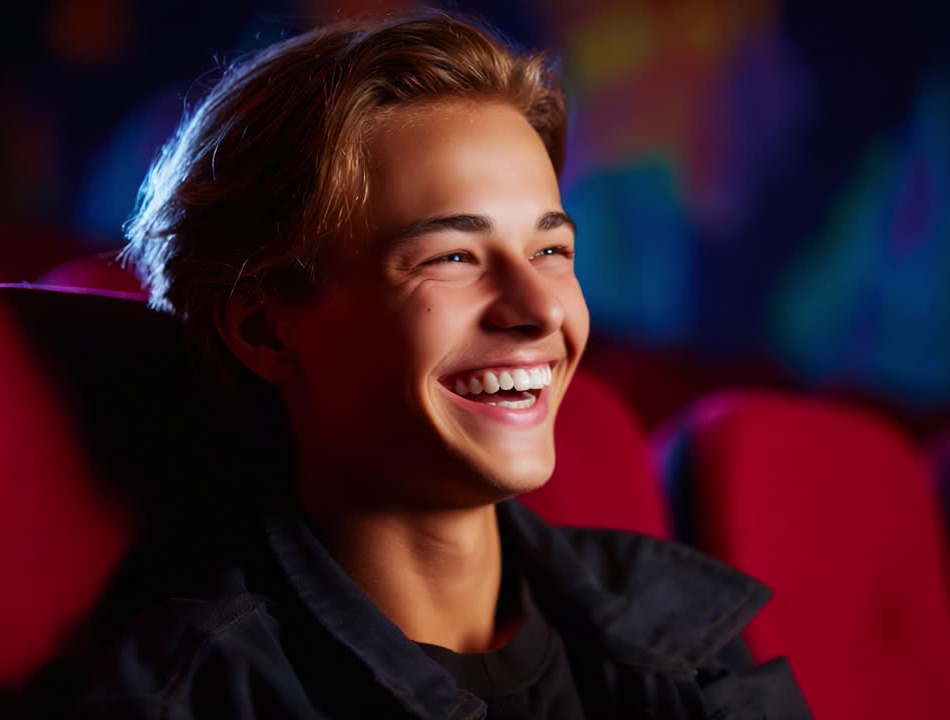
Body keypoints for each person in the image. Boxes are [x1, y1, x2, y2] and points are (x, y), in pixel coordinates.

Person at [76, 12, 811, 719]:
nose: (540, 311)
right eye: (454, 257)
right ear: (266, 329)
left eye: (550, 251)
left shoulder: (684, 630)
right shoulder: (204, 695)